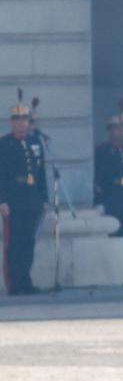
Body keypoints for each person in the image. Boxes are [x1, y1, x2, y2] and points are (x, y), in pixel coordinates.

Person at [2, 96, 49, 296]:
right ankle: (15, 283)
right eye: (17, 120)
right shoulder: (4, 144)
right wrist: (2, 200)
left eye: (24, 120)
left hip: (32, 199)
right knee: (15, 243)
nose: (21, 124)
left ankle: (26, 281)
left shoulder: (35, 142)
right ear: (12, 123)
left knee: (28, 242)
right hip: (14, 200)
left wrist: (44, 199)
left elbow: (41, 173)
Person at [95, 106, 123, 252]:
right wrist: (99, 200)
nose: (121, 131)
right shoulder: (102, 151)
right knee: (112, 235)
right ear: (110, 131)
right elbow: (98, 177)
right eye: (117, 128)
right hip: (110, 196)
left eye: (122, 128)